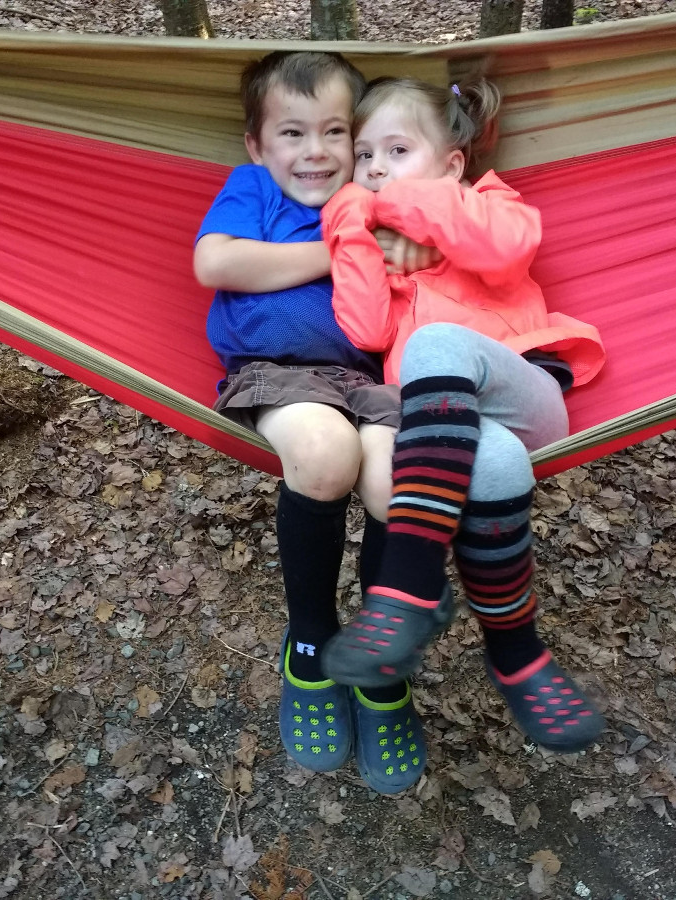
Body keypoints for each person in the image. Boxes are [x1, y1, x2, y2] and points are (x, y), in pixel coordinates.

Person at [320, 77, 609, 754]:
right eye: (365, 157)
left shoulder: (490, 203)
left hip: (525, 394)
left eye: (397, 149)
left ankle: (409, 590)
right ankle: (519, 657)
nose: (378, 169)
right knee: (498, 463)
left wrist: (408, 206)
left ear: (452, 163)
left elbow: (503, 248)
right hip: (459, 438)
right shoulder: (386, 245)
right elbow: (364, 330)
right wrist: (352, 224)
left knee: (436, 344)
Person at [192, 52, 430, 794]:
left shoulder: (377, 193)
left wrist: (406, 248)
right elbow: (215, 264)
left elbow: (433, 254)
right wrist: (328, 254)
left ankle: (378, 660)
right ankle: (311, 645)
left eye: (335, 132)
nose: (316, 151)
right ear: (258, 145)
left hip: (372, 378)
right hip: (278, 372)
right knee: (326, 458)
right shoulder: (253, 189)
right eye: (292, 133)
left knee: (401, 480)